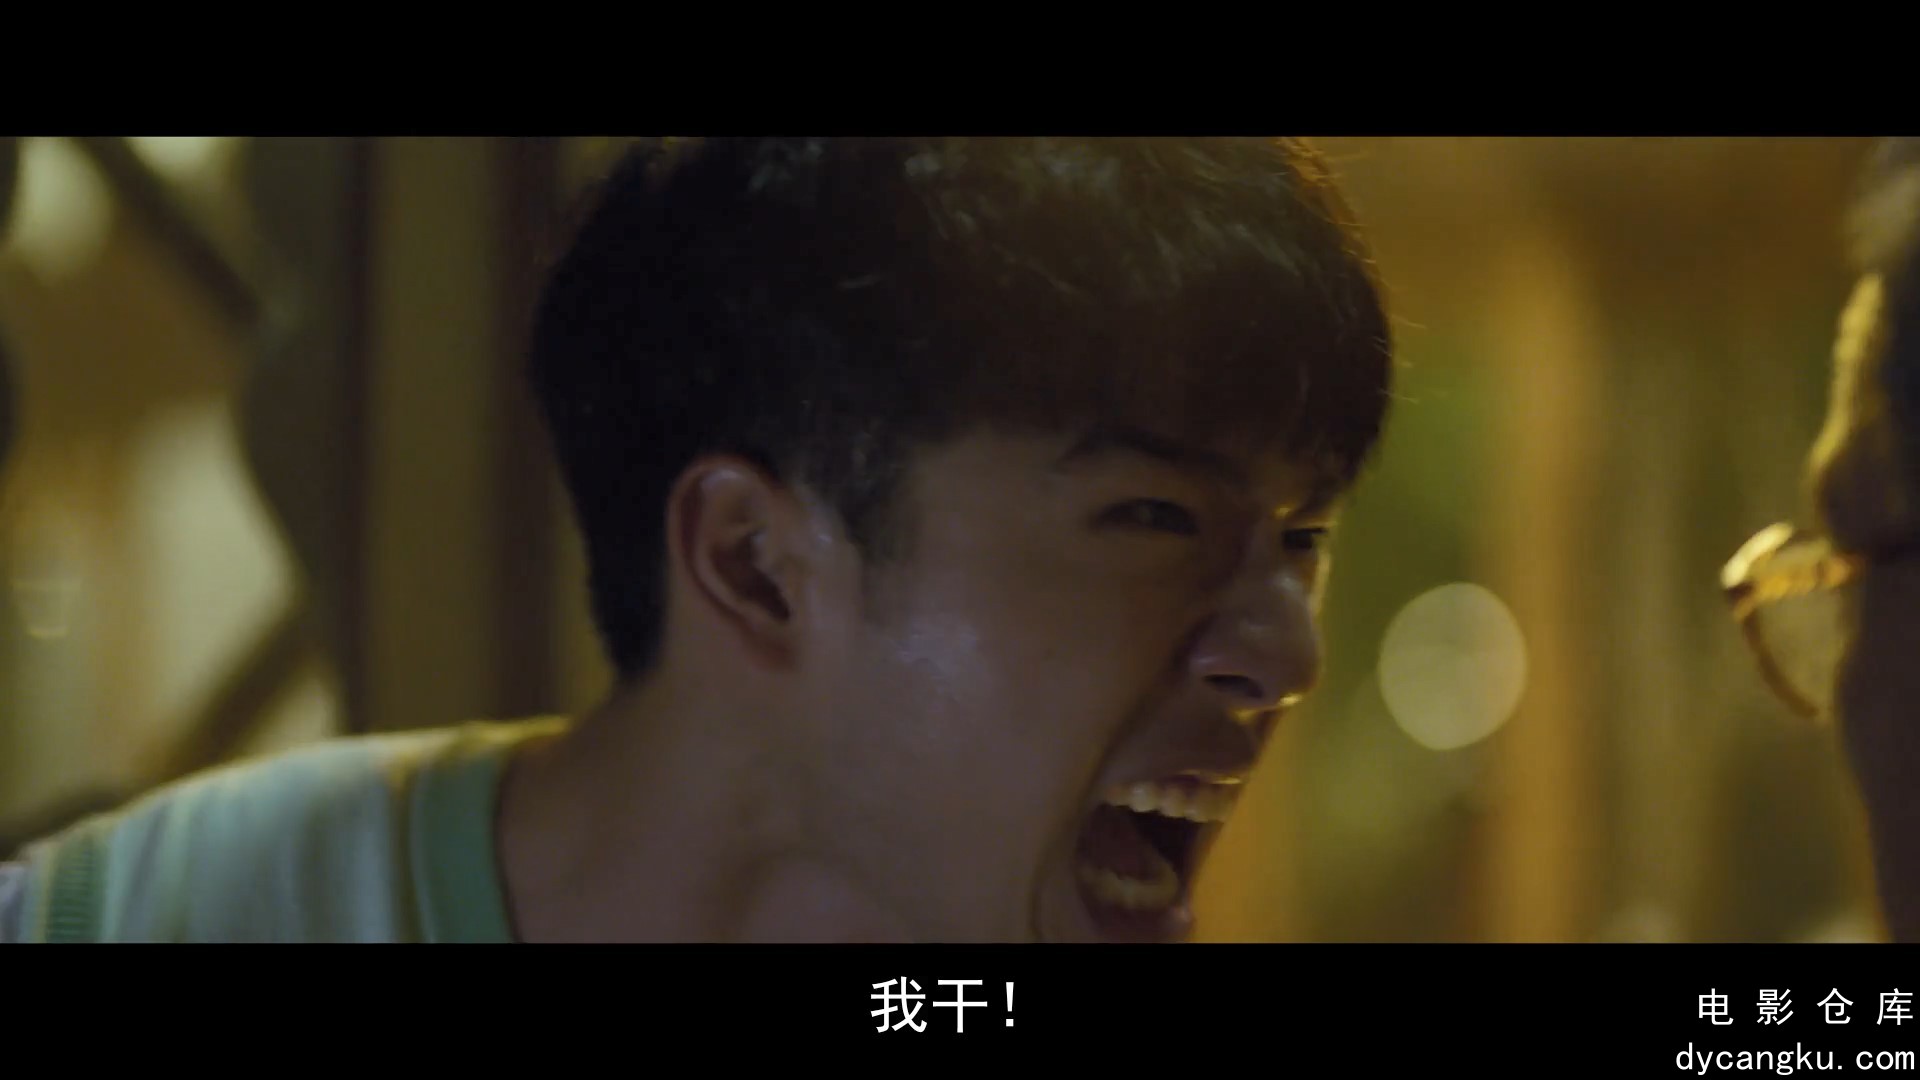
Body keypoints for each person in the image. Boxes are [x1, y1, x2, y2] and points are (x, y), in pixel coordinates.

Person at [0, 137, 1394, 942]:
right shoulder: (170, 917)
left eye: (1303, 539)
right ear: (756, 565)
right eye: (1155, 518)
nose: (1288, 653)